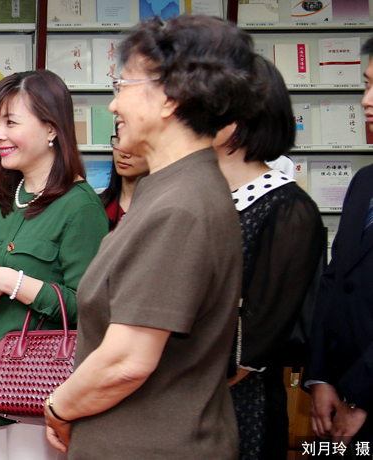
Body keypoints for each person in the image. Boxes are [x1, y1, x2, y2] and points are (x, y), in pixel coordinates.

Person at [42, 16, 265, 459]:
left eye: (123, 84)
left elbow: (127, 361)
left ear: (169, 97)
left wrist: (58, 408)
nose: (113, 105)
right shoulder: (169, 188)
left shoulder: (180, 205)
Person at [0, 69, 107, 460]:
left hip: (37, 392)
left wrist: (12, 281)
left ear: (52, 129)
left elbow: (90, 309)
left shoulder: (80, 207)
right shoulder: (2, 198)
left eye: (11, 122)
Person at [212, 58, 325, 460]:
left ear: (238, 117)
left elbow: (254, 344)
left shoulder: (288, 209)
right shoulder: (198, 194)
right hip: (176, 401)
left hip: (238, 407)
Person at [305, 37, 373, 446]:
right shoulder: (364, 182)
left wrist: (361, 398)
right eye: (366, 85)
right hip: (336, 399)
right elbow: (333, 282)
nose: (367, 101)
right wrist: (320, 378)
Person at [96, 139, 148, 231]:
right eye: (119, 140)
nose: (124, 153)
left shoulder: (164, 209)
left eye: (135, 144)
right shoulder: (96, 207)